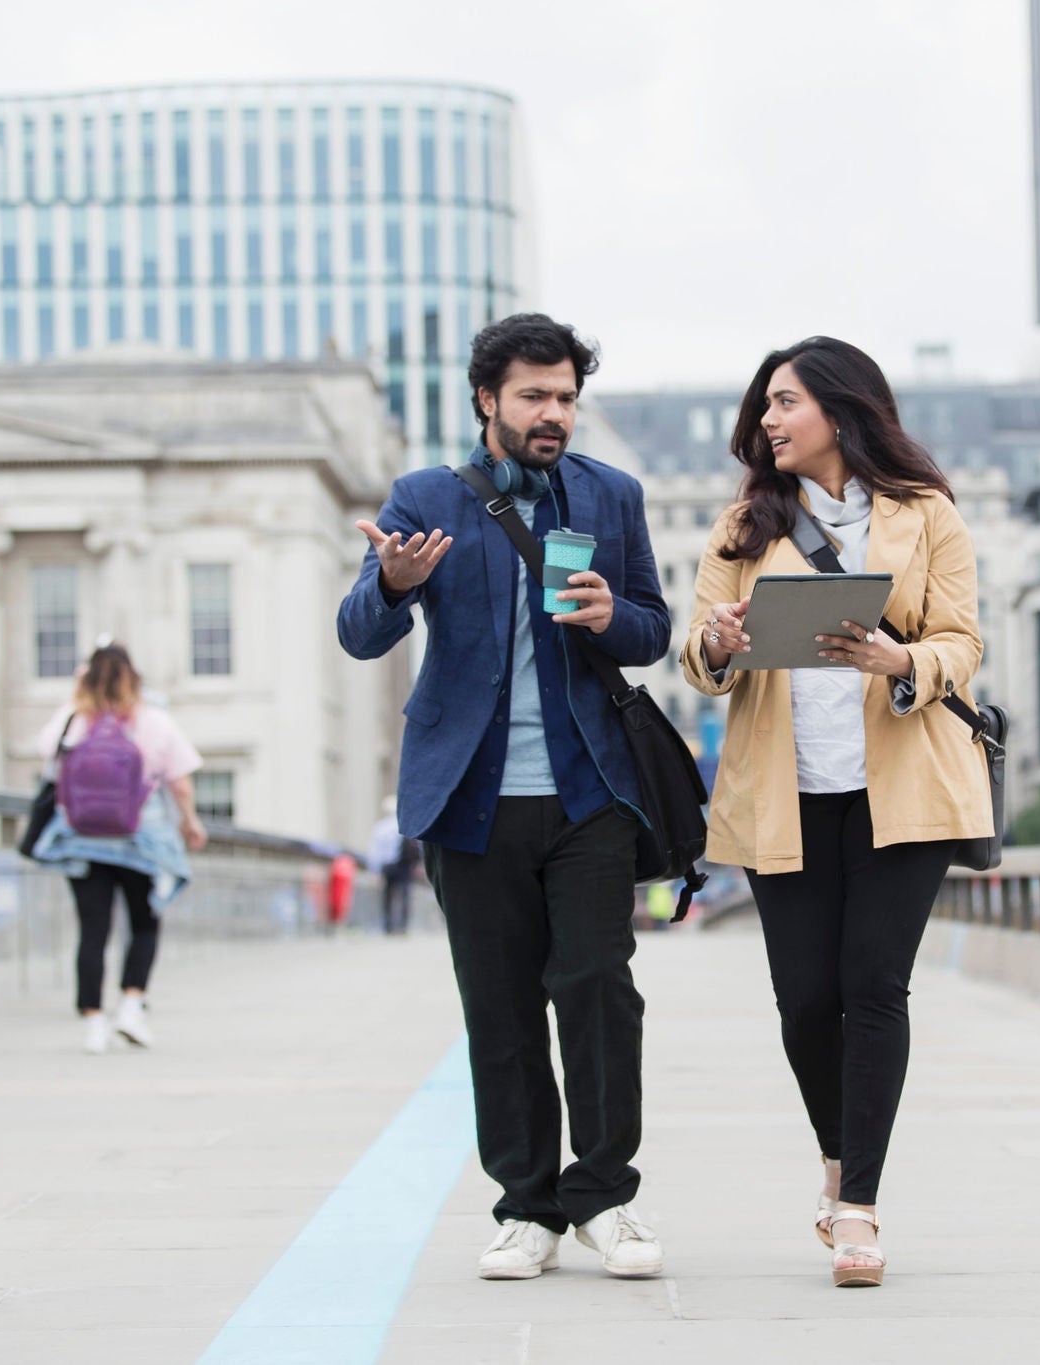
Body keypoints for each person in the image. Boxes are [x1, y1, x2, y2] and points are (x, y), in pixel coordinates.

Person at [337, 313, 671, 1281]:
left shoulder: (611, 495)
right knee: (500, 1005)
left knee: (599, 989)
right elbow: (359, 634)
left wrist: (611, 616)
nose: (552, 413)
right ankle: (527, 1207)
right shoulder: (426, 496)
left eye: (565, 397)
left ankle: (604, 1195)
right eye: (533, 396)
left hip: (590, 793)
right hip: (470, 797)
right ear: (487, 398)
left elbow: (653, 628)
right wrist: (392, 583)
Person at [680, 336, 992, 1288]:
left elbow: (962, 642)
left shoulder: (926, 513)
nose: (769, 419)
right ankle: (836, 1155)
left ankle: (858, 1202)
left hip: (905, 792)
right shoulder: (743, 526)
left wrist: (905, 661)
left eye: (787, 401)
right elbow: (697, 660)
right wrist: (719, 642)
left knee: (873, 986)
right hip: (785, 794)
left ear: (842, 408)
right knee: (806, 999)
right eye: (766, 405)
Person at [31, 644, 207, 1054]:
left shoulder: (72, 719)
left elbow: (47, 756)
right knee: (144, 924)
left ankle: (94, 1023)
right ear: (134, 678)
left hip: (82, 838)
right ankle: (131, 1005)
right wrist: (190, 821)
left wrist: (75, 696)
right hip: (140, 838)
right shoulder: (154, 720)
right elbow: (180, 783)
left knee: (92, 930)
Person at [369, 796, 421, 935]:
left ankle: (388, 926)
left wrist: (374, 871)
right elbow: (417, 846)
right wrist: (418, 864)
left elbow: (375, 852)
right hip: (404, 865)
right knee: (404, 896)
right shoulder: (404, 825)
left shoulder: (380, 828)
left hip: (387, 866)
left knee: (387, 897)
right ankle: (403, 926)